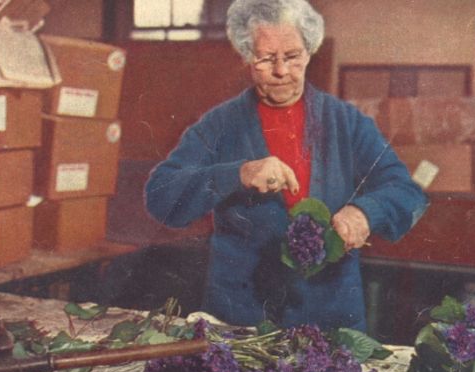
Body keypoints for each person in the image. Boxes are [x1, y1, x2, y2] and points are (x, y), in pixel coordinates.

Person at [145, 0, 428, 332]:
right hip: (241, 315)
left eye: (292, 56)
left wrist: (366, 212)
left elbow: (408, 193)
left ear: (309, 52)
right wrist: (238, 174)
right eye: (266, 59)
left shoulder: (346, 122)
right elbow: (160, 195)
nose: (281, 71)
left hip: (331, 316)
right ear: (246, 55)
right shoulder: (220, 125)